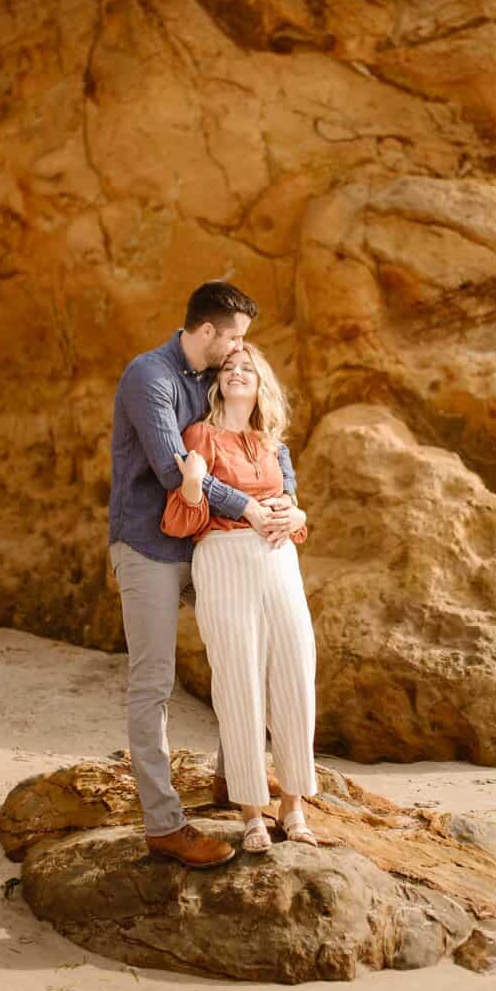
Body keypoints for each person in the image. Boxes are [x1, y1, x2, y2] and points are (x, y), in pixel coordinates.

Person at [108, 282, 302, 869]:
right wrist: (250, 509)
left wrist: (289, 505)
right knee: (153, 681)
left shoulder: (208, 378)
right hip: (149, 547)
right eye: (236, 338)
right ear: (210, 332)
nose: (240, 349)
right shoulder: (151, 377)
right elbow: (175, 473)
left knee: (246, 652)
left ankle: (232, 777)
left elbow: (257, 442)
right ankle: (164, 824)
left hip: (204, 546)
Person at [162, 343, 319, 853]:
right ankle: (252, 811)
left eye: (247, 368)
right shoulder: (199, 436)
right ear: (218, 382)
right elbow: (183, 518)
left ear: (261, 383)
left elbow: (292, 506)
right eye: (229, 367)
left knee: (295, 670)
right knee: (238, 679)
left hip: (279, 561)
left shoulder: (273, 444)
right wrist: (191, 486)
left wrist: (297, 516)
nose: (236, 372)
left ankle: (293, 804)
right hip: (223, 559)